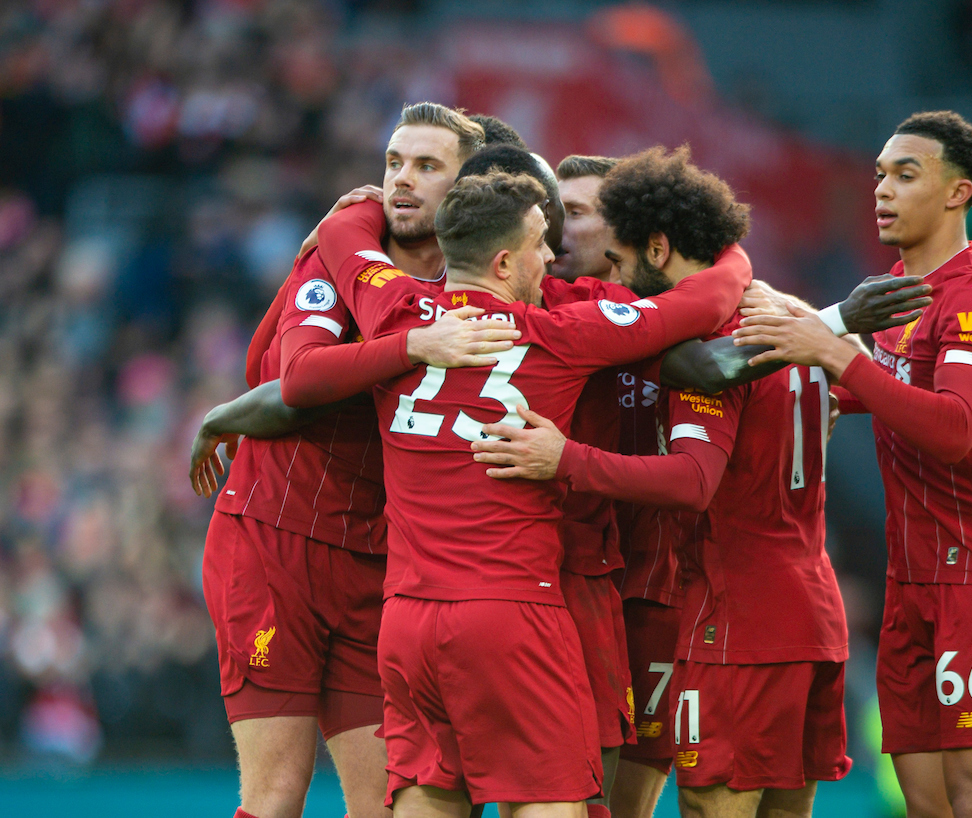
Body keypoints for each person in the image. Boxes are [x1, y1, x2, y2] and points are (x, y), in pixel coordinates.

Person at [278, 171, 751, 817]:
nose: (552, 257)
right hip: (510, 615)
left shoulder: (394, 313)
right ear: (505, 262)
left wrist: (365, 204)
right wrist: (734, 248)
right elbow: (705, 305)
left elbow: (340, 237)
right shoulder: (557, 336)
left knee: (429, 801)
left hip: (408, 620)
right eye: (539, 244)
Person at [470, 148, 862, 818]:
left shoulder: (707, 340)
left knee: (700, 806)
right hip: (809, 610)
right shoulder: (790, 316)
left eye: (596, 227)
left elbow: (692, 479)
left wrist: (563, 458)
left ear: (656, 244)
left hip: (727, 613)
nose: (570, 237)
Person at [191, 103, 516, 818]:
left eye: (427, 167)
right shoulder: (347, 249)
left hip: (379, 565)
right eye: (394, 162)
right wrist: (409, 343)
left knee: (383, 804)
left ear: (469, 189)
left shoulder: (490, 288)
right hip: (273, 543)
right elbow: (279, 373)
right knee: (277, 795)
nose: (401, 181)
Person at [731, 111, 972, 818]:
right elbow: (898, 390)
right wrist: (831, 390)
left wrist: (835, 353)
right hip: (912, 576)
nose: (882, 189)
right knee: (927, 802)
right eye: (879, 173)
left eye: (906, 175)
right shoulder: (898, 291)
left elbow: (953, 428)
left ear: (957, 193)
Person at [553, 155, 619, 283]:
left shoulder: (659, 301)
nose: (552, 226)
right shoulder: (515, 298)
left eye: (574, 213)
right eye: (553, 212)